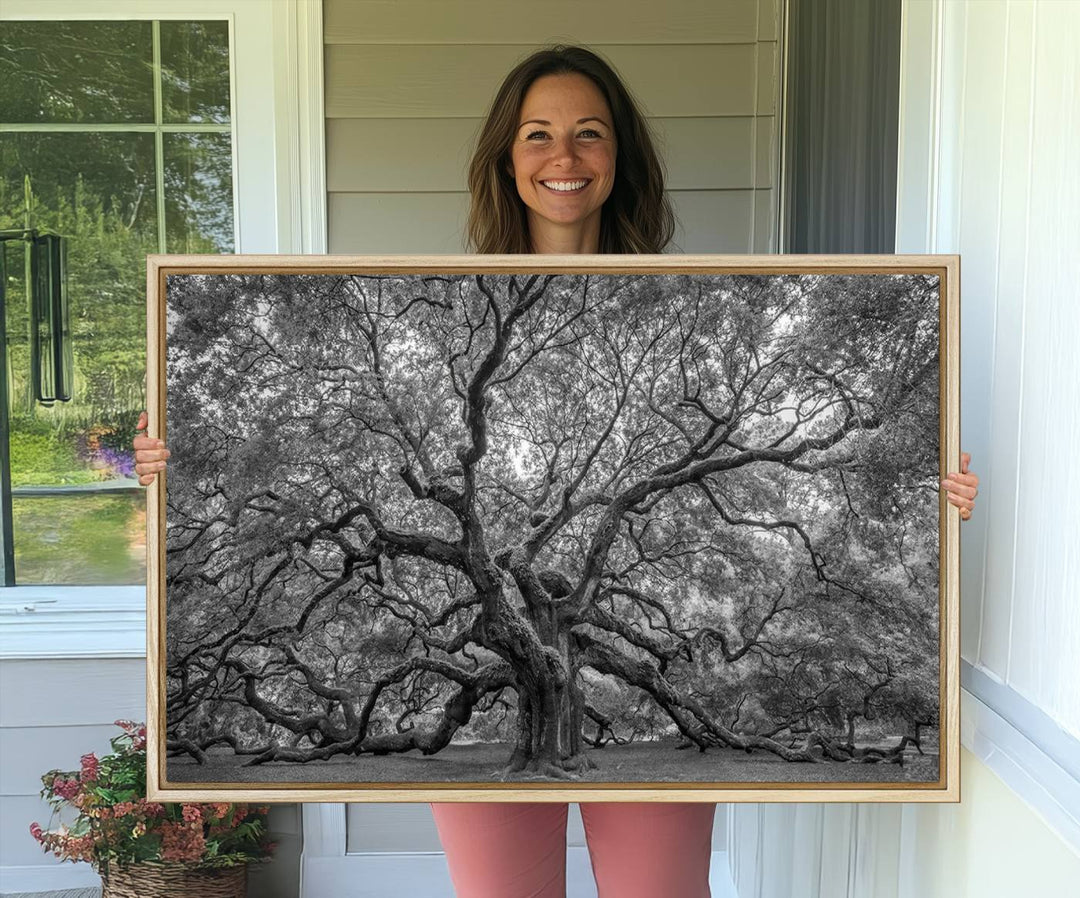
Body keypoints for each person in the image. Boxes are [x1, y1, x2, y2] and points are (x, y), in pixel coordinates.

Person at [134, 45, 980, 898]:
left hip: (628, 727)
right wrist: (180, 476)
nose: (564, 157)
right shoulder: (438, 309)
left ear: (620, 158)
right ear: (508, 158)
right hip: (497, 723)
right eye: (537, 135)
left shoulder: (701, 307)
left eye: (589, 134)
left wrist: (930, 497)